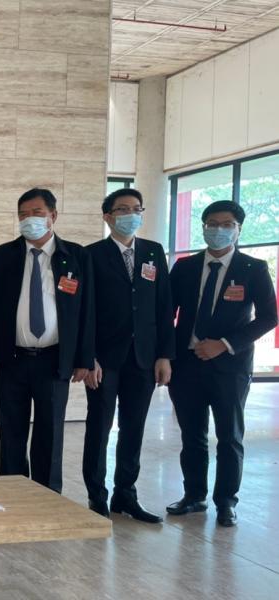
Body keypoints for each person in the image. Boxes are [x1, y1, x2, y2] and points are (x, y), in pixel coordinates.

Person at [167, 200, 277, 527]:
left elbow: (269, 317)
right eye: (212, 224)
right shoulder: (185, 267)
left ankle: (226, 501)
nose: (219, 230)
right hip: (186, 365)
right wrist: (166, 354)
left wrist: (224, 345)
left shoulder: (253, 268)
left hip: (230, 367)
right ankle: (194, 495)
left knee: (229, 437)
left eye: (227, 224)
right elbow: (166, 312)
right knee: (192, 435)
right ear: (203, 227)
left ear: (238, 229)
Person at [0, 188, 94, 493]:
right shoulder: (4, 254)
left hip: (54, 361)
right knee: (11, 434)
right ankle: (13, 496)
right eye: (23, 214)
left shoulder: (77, 256)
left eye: (37, 213)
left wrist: (84, 358)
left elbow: (88, 311)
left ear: (53, 216)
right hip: (11, 359)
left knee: (50, 434)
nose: (30, 219)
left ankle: (48, 498)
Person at [82, 188, 174, 521]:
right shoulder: (91, 255)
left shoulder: (153, 252)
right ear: (107, 217)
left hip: (143, 358)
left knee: (133, 429)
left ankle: (126, 494)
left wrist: (164, 355)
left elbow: (164, 306)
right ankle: (97, 496)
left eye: (136, 208)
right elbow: (85, 311)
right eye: (122, 209)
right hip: (104, 360)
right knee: (99, 428)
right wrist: (88, 357)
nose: (131, 215)